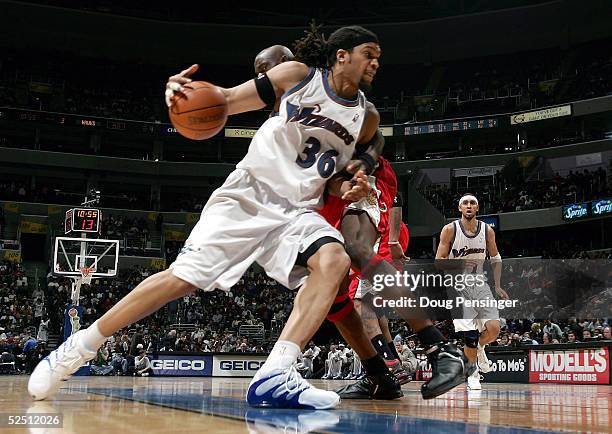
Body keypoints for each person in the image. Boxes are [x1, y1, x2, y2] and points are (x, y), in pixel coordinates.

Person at [28, 24, 378, 410]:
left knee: (334, 259)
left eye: (379, 56)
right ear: (341, 55)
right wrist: (181, 96)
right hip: (249, 195)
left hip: (296, 210)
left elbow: (334, 181)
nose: (376, 62)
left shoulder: (366, 117)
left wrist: (349, 187)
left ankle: (276, 373)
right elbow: (225, 100)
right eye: (369, 53)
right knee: (182, 279)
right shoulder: (299, 77)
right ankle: (78, 348)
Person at [255, 35, 402, 400]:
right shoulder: (278, 120)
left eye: (270, 68)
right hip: (321, 203)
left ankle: (435, 342)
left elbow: (374, 134)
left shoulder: (315, 93)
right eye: (258, 72)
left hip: (363, 183)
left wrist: (365, 165)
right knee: (335, 301)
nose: (264, 77)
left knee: (354, 253)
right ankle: (380, 377)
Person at [436, 193, 508, 390]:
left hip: (479, 282)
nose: (469, 206)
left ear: (477, 208)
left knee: (493, 329)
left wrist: (498, 284)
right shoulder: (450, 229)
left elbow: (496, 258)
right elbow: (438, 261)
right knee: (470, 334)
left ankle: (480, 347)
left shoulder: (487, 230)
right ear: (460, 208)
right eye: (465, 203)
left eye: (472, 203)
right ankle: (473, 374)